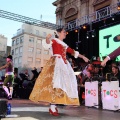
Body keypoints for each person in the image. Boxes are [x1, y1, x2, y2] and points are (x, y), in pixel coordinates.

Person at [29, 27, 89, 116]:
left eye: (65, 32)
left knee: (62, 85)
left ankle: (53, 105)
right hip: (56, 64)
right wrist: (47, 38)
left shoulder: (64, 44)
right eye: (64, 32)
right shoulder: (54, 40)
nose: (65, 33)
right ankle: (52, 106)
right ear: (58, 33)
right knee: (55, 84)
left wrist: (83, 57)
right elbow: (47, 44)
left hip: (63, 65)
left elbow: (72, 52)